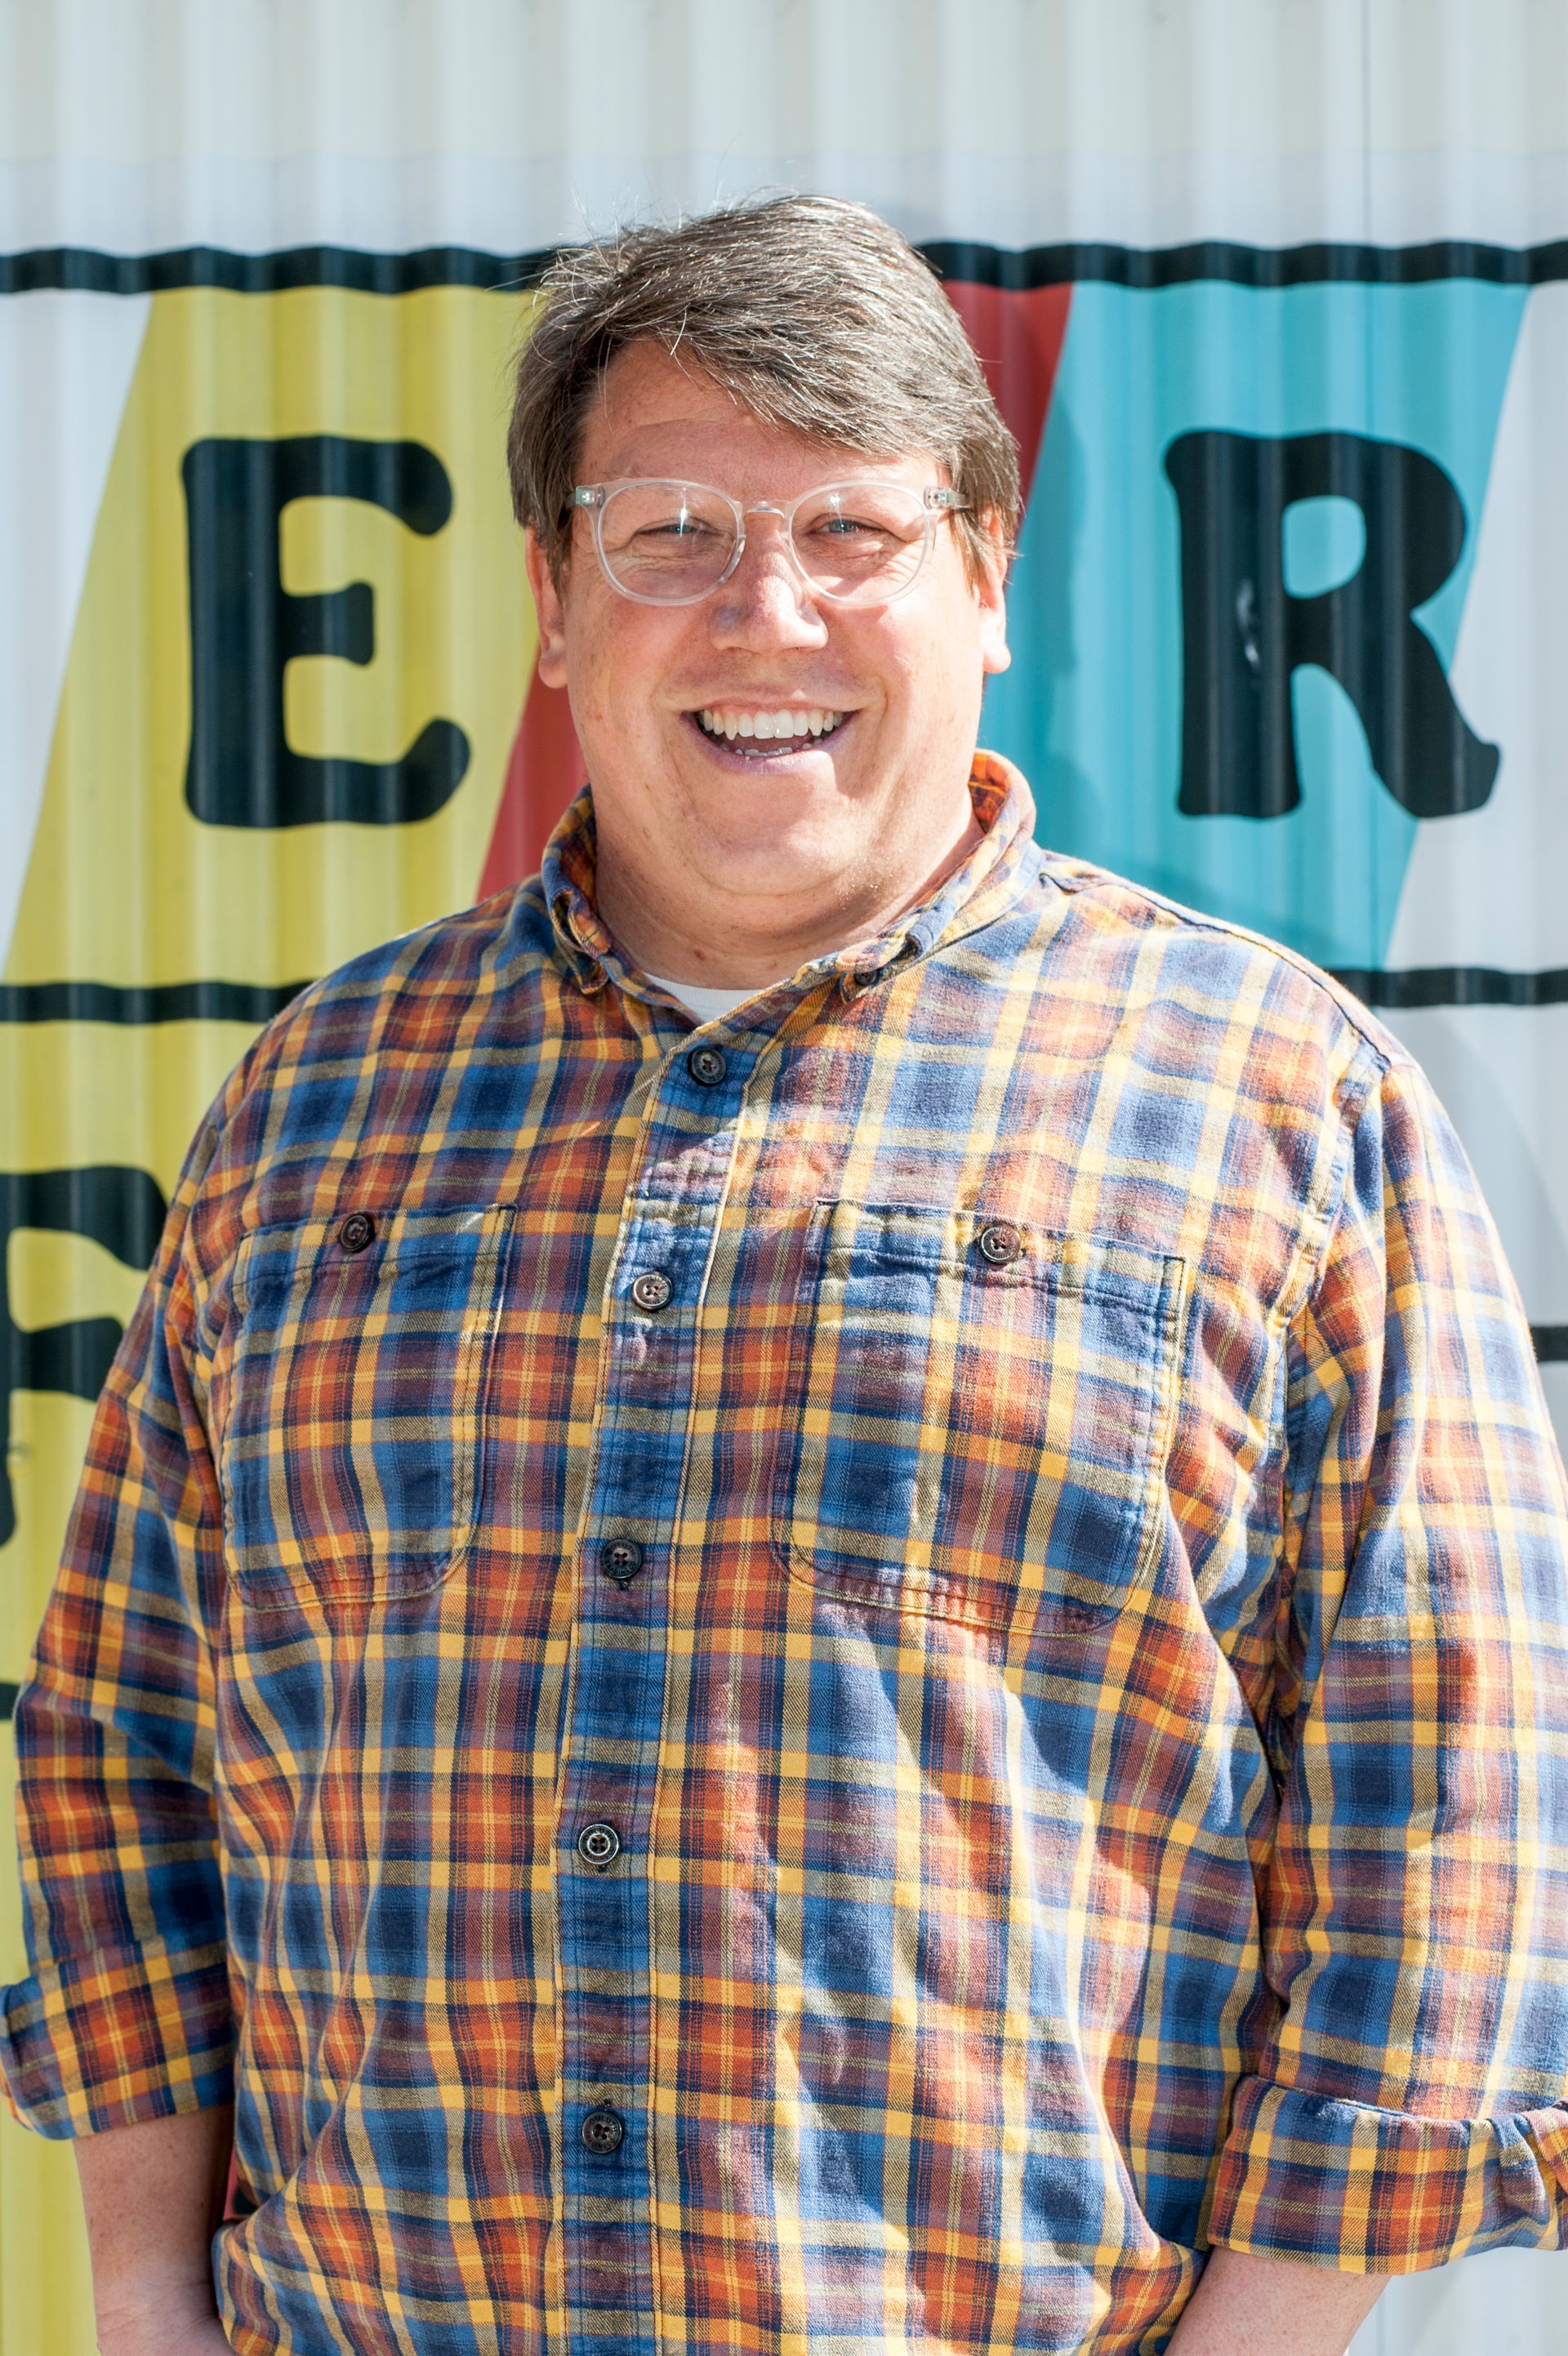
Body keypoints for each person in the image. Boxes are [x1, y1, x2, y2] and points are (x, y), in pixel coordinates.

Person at [5, 194, 1568, 2356]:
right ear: (553, 601)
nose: (768, 613)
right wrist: (141, 2304)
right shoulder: (318, 1109)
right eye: (668, 532)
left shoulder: (1278, 1104)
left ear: (988, 579)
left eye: (854, 528)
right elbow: (119, 1738)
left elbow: (1448, 1801)